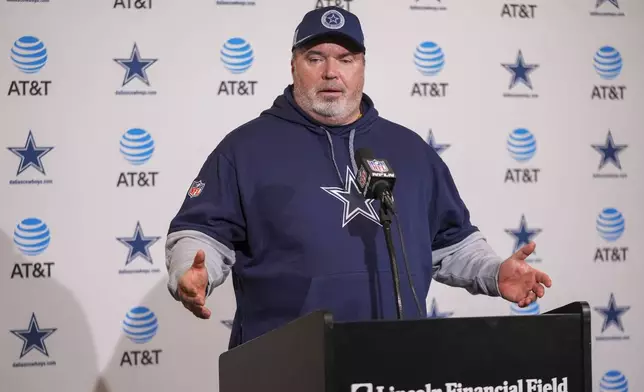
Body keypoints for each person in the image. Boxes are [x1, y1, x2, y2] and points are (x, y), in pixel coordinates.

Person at [164, 6, 552, 349]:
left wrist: (494, 271)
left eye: (345, 59)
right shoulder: (245, 148)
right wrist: (191, 271)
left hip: (396, 363)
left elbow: (452, 243)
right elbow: (201, 233)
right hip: (285, 366)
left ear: (362, 67)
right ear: (293, 65)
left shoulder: (411, 150)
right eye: (315, 58)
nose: (331, 72)